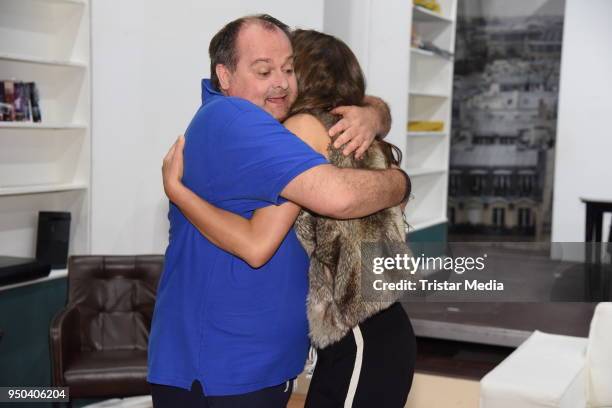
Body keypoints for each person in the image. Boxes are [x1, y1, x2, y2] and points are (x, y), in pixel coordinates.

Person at [148, 15, 411, 408]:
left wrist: (373, 113)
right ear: (225, 74)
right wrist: (401, 182)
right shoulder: (234, 117)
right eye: (263, 70)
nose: (281, 81)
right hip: (222, 373)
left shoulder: (278, 132)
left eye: (288, 69)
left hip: (263, 367)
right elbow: (328, 201)